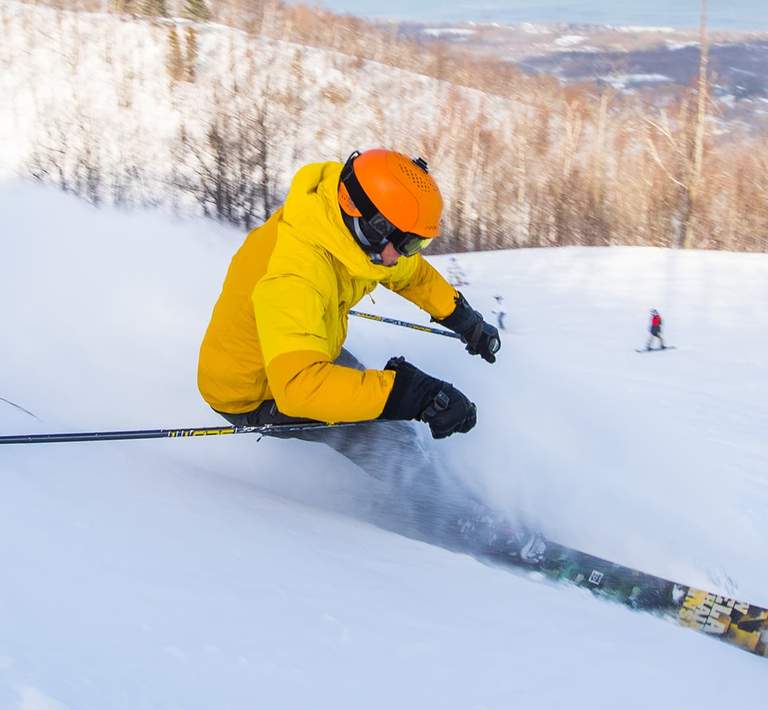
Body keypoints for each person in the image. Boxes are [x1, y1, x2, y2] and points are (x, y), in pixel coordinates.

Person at [197, 149, 502, 548]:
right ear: (373, 225)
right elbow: (301, 389)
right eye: (407, 243)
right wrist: (411, 394)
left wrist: (464, 320)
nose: (408, 254)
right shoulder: (295, 274)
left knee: (394, 422)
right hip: (257, 390)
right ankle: (456, 525)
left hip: (303, 353)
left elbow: (410, 274)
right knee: (386, 436)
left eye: (418, 243)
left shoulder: (343, 226)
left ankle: (441, 494)